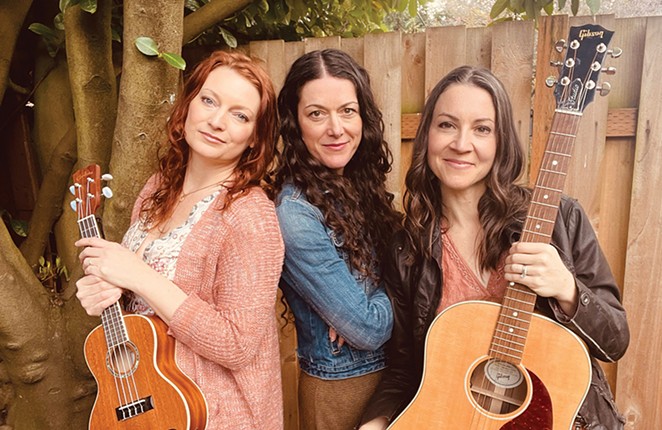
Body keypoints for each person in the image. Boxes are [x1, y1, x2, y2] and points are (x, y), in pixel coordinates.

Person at [359, 65, 629, 429]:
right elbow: (406, 369)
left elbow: (614, 343)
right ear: (426, 136)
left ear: (500, 141)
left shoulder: (560, 218)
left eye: (481, 129)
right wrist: (375, 421)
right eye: (447, 125)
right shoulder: (408, 249)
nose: (461, 143)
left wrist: (567, 290)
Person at [74, 50, 284, 430]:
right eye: (209, 100)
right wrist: (107, 294)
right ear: (188, 104)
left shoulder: (250, 215)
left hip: (217, 416)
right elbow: (140, 306)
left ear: (254, 138)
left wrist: (139, 275)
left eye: (240, 115)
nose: (217, 121)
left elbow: (238, 345)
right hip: (150, 405)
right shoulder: (158, 187)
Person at [273, 48, 402, 430]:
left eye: (347, 110)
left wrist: (370, 293)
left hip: (393, 376)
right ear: (295, 123)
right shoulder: (295, 214)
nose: (336, 128)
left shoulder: (358, 185)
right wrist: (399, 292)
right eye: (316, 114)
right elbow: (367, 329)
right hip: (343, 387)